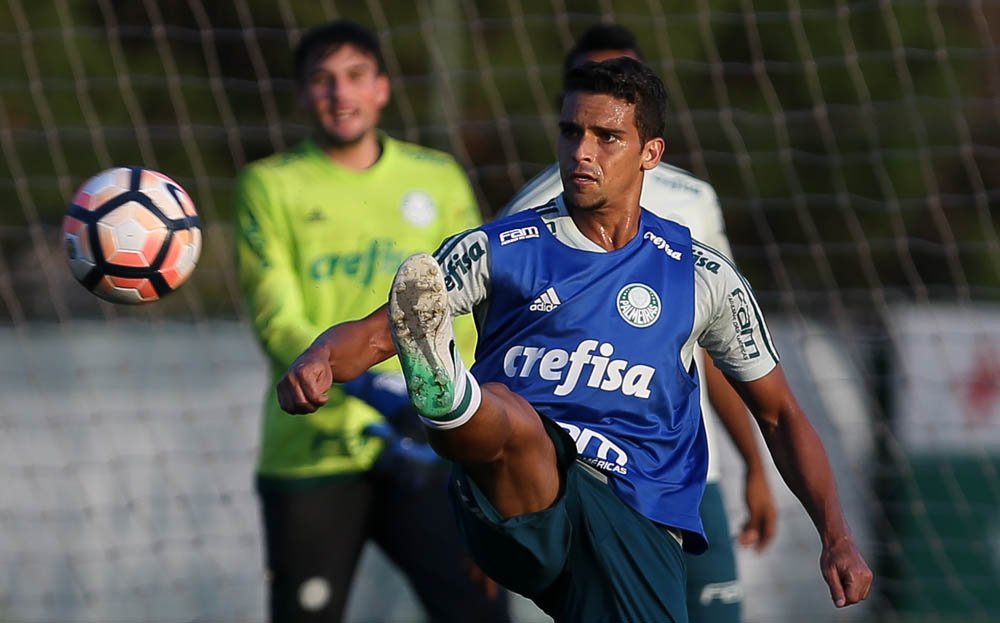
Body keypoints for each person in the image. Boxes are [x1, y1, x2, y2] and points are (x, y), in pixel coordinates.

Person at [277, 58, 873, 622]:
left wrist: (836, 537)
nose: (581, 151)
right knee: (516, 420)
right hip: (521, 486)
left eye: (606, 137)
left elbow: (781, 414)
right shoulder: (498, 249)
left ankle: (456, 401)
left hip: (637, 509)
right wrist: (321, 359)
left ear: (651, 153)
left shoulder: (700, 274)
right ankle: (450, 396)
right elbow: (379, 332)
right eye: (570, 132)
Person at [498, 23, 776, 621]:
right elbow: (501, 357)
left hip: (690, 472)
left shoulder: (693, 202)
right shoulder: (527, 215)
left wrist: (753, 464)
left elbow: (716, 347)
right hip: (581, 481)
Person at [233, 19, 509, 623]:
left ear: (382, 88)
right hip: (313, 453)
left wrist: (443, 403)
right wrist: (368, 390)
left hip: (431, 442)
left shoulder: (437, 178)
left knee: (479, 613)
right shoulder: (268, 185)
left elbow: (468, 308)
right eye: (323, 81)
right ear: (304, 94)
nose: (341, 94)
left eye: (356, 77)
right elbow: (276, 317)